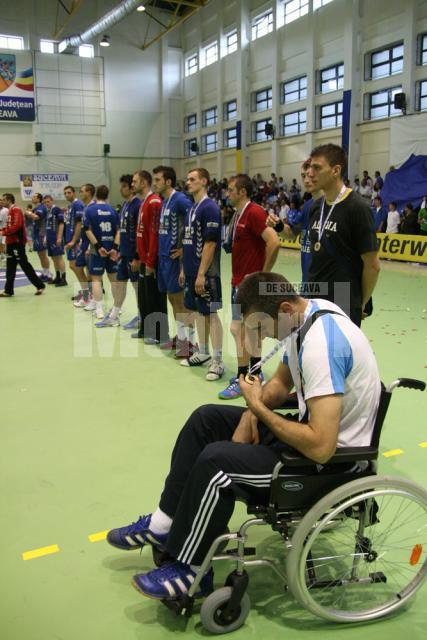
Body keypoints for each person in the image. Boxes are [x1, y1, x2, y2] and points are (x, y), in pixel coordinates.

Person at [106, 271, 381, 602]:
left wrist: (257, 408)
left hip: (331, 463)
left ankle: (189, 570)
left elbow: (321, 447)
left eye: (262, 328)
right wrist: (251, 413)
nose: (262, 338)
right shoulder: (306, 315)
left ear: (284, 307)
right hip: (309, 440)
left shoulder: (321, 345)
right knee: (206, 420)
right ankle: (164, 526)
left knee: (217, 462)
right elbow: (280, 384)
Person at [219, 173, 280, 400]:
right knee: (246, 331)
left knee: (241, 330)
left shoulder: (254, 212)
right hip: (238, 283)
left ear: (242, 191)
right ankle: (254, 374)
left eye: (231, 189)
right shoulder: (239, 214)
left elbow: (274, 241)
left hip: (249, 285)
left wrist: (263, 275)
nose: (227, 193)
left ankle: (244, 377)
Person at [305, 144, 380, 326]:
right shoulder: (317, 206)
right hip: (315, 296)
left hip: (343, 297)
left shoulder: (357, 208)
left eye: (317, 167)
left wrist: (359, 302)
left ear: (336, 170)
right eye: (309, 167)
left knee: (338, 353)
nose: (310, 173)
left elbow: (372, 266)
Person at [180, 168, 224, 381]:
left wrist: (201, 275)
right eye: (187, 179)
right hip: (191, 272)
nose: (188, 182)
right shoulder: (191, 208)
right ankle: (204, 352)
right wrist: (184, 269)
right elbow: (187, 242)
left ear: (204, 181)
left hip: (207, 274)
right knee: (199, 312)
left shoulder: (210, 208)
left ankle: (217, 360)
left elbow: (210, 243)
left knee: (212, 314)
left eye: (192, 179)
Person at [153, 165, 196, 356]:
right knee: (172, 298)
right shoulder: (165, 201)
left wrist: (184, 249)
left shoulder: (180, 200)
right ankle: (180, 338)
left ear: (168, 181)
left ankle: (191, 342)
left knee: (182, 301)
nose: (155, 184)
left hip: (175, 259)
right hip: (163, 258)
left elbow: (193, 221)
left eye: (157, 180)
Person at [96, 175, 141, 328]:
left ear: (131, 188)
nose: (120, 189)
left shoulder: (137, 205)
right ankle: (113, 316)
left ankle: (141, 316)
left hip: (133, 255)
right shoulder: (125, 205)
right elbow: (123, 231)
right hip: (124, 254)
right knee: (120, 284)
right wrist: (118, 250)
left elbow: (138, 233)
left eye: (123, 186)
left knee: (137, 286)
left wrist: (137, 256)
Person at [132, 169, 168, 342]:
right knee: (144, 296)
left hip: (151, 259)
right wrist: (138, 256)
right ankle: (146, 329)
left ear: (143, 183)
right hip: (143, 257)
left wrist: (151, 261)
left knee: (155, 296)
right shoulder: (144, 202)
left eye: (135, 181)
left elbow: (154, 234)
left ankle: (159, 333)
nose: (133, 184)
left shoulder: (154, 202)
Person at [83, 185, 120, 321]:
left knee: (96, 279)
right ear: (107, 196)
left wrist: (98, 247)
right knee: (114, 280)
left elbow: (87, 230)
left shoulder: (90, 210)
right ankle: (117, 308)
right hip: (111, 250)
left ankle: (99, 309)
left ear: (96, 195)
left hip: (97, 251)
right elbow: (118, 231)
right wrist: (114, 248)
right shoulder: (113, 210)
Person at [0, 193, 45, 297]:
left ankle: (40, 285)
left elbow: (17, 226)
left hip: (17, 243)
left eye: (3, 200)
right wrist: (3, 230)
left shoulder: (16, 210)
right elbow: (10, 226)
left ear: (9, 200)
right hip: (11, 243)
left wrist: (3, 232)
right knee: (10, 267)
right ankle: (8, 290)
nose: (2, 202)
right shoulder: (11, 210)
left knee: (24, 265)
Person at [74, 183, 96, 309]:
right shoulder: (85, 207)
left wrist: (90, 246)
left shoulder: (92, 208)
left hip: (90, 245)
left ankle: (94, 298)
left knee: (92, 273)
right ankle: (86, 295)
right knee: (78, 267)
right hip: (84, 244)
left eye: (82, 191)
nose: (80, 193)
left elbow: (92, 229)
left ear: (88, 192)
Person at [24, 193, 52, 282]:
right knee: (40, 255)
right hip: (36, 232)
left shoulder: (41, 207)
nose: (32, 198)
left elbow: (36, 217)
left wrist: (28, 212)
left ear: (39, 199)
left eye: (34, 197)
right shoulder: (36, 208)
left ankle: (48, 274)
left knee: (43, 255)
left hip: (41, 233)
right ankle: (44, 273)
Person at [63, 186, 85, 297]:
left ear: (74, 193)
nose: (67, 195)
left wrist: (74, 240)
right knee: (74, 266)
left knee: (76, 266)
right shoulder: (70, 206)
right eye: (65, 193)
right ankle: (86, 290)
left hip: (75, 241)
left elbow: (79, 224)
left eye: (69, 192)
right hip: (69, 239)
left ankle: (87, 291)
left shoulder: (77, 204)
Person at [43, 194, 67, 287]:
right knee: (53, 258)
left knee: (59, 257)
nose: (46, 204)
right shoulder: (48, 211)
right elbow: (47, 225)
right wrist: (46, 237)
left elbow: (61, 224)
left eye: (48, 202)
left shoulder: (57, 209)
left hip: (56, 237)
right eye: (45, 202)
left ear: (52, 201)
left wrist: (59, 237)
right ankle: (57, 277)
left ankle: (64, 279)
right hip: (49, 238)